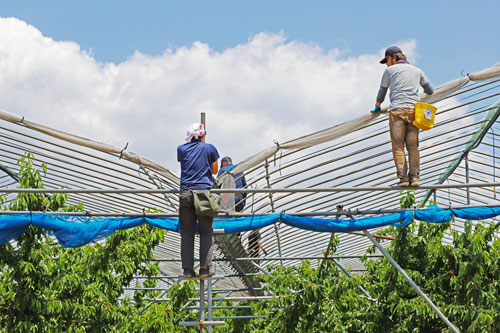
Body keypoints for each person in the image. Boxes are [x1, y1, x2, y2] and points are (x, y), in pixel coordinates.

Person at [370, 46, 434, 187]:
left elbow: (382, 91)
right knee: (413, 147)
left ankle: (403, 179)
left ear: (393, 57)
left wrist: (377, 106)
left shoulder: (389, 71)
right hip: (413, 113)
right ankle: (415, 178)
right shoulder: (417, 71)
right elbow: (430, 90)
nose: (386, 64)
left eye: (387, 60)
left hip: (397, 112)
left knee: (398, 147)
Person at [177, 123, 219, 278]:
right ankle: (204, 268)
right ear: (202, 135)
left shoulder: (181, 149)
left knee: (187, 232)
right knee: (206, 231)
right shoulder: (210, 148)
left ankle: (188, 270)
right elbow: (215, 170)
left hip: (185, 194)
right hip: (202, 194)